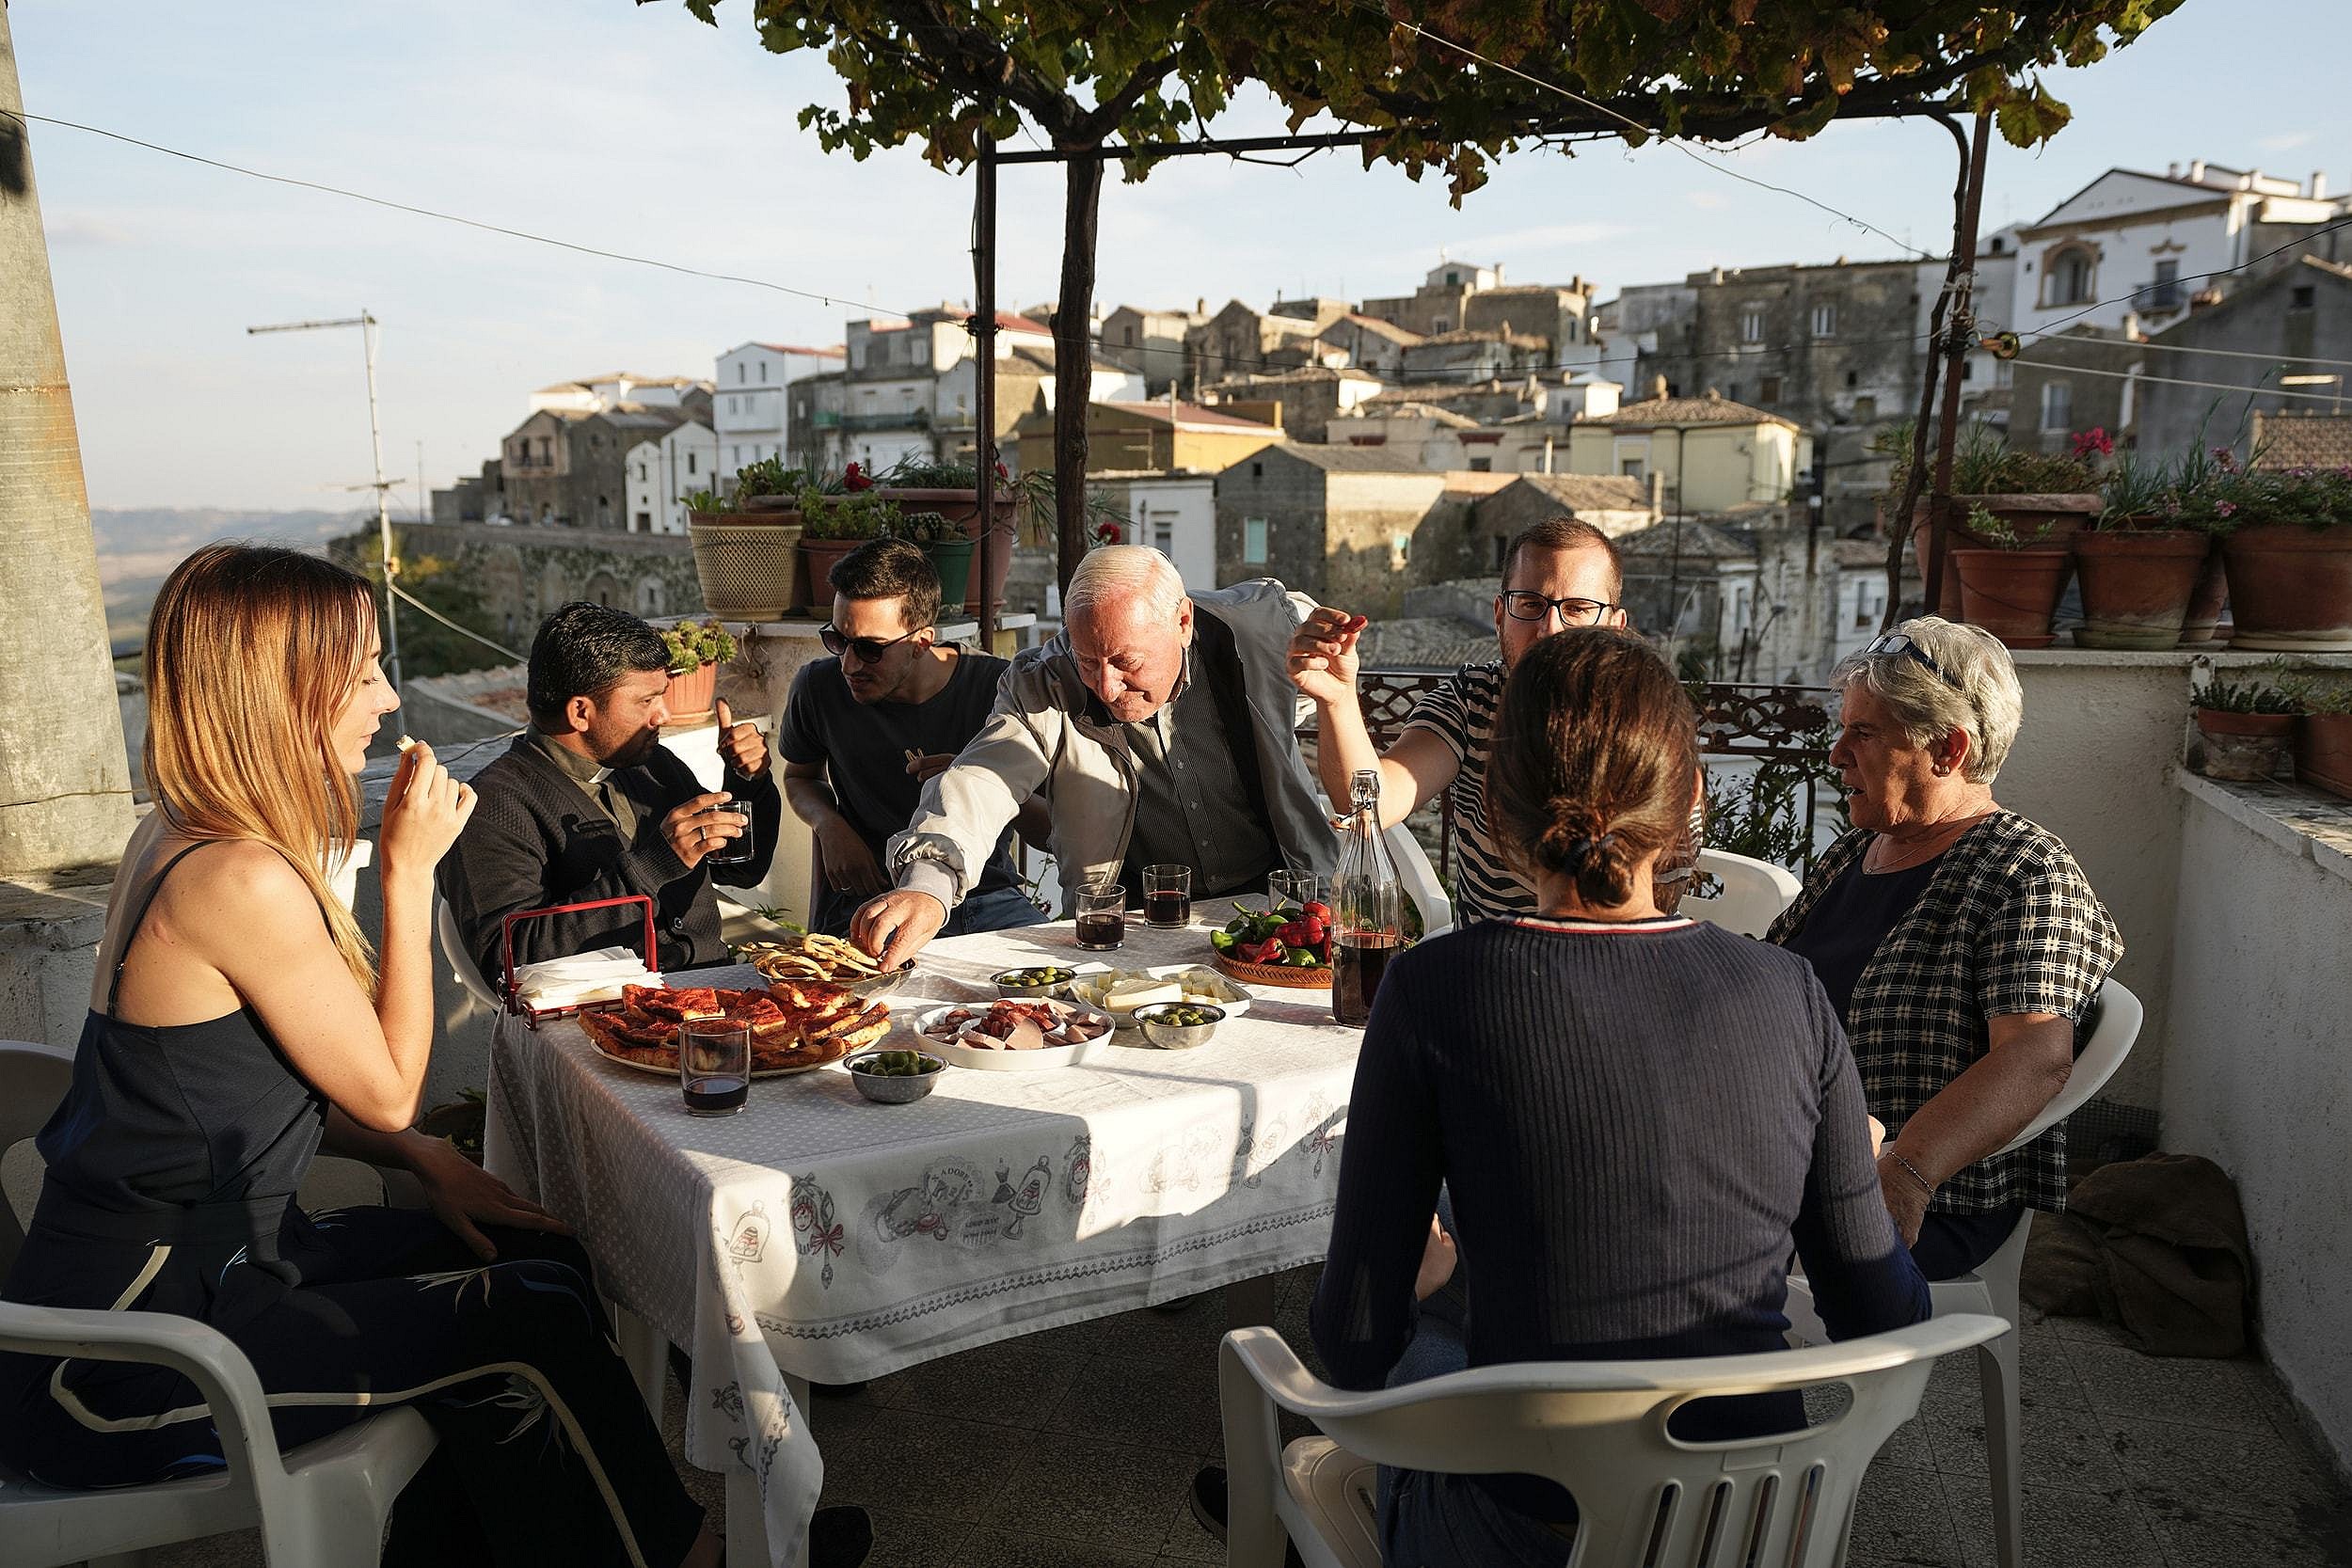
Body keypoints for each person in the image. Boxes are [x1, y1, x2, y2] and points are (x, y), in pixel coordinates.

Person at [0, 545, 721, 1567]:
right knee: (530, 1315)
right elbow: (386, 1089)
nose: (387, 696)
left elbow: (244, 1089)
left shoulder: (180, 833)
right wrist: (409, 871)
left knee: (530, 1253)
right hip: (127, 1360)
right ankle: (684, 1558)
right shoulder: (236, 876)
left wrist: (428, 1162)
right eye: (365, 670)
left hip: (231, 1270)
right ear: (280, 690)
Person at [1244, 627, 1927, 1564]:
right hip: (1747, 1528)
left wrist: (1434, 1281)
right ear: (1690, 797)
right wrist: (1858, 1156)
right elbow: (1885, 1317)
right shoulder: (1789, 994)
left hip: (1522, 1531)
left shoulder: (1438, 987)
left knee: (1353, 1396)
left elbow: (1354, 1342)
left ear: (1495, 814)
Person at [1771, 617, 2121, 1280]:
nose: (1837, 753)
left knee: (1657, 1237)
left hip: (1923, 1199)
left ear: (1948, 749)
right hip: (1789, 1158)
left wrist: (1905, 1170)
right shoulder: (1858, 850)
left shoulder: (2024, 871)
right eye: (1843, 728)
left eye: (1864, 732)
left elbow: (2036, 1056)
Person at [851, 546, 1338, 967]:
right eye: (1088, 661)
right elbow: (983, 777)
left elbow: (1316, 640)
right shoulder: (1043, 682)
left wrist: (1327, 648)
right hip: (1133, 926)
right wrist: (928, 882)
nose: (1105, 687)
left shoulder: (1259, 632)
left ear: (1183, 622)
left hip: (1283, 912)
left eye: (1127, 662)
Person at [1289, 518, 1655, 923]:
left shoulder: (1644, 721)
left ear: (1614, 627)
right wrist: (1338, 698)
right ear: (1500, 614)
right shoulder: (1471, 702)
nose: (1549, 628)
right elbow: (1371, 805)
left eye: (1578, 609)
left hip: (1616, 961)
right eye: (1531, 604)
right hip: (1486, 967)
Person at [440, 601, 780, 988]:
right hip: (607, 1022)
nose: (663, 715)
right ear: (581, 712)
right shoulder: (492, 807)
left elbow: (743, 869)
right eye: (646, 701)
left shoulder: (654, 765)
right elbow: (509, 959)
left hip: (716, 993)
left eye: (662, 695)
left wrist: (746, 782)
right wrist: (653, 866)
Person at [776, 539, 1051, 939]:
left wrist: (981, 787)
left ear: (922, 642)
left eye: (870, 649)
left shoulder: (1000, 689)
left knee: (1065, 987)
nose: (849, 664)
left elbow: (1051, 831)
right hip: (867, 900)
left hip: (982, 898)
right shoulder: (817, 686)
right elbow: (800, 777)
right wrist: (829, 825)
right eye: (837, 640)